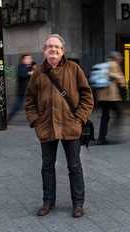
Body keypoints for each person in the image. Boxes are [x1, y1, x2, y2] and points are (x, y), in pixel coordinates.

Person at [25, 34, 94, 218]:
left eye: (56, 47)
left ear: (63, 51)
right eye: (50, 46)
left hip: (71, 126)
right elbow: (30, 99)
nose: (53, 49)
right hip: (46, 127)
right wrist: (35, 120)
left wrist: (80, 117)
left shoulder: (74, 69)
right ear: (44, 50)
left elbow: (87, 96)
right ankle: (48, 202)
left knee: (75, 166)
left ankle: (78, 204)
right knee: (47, 166)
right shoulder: (38, 73)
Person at [96, 51, 126, 145]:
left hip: (101, 96)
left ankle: (102, 137)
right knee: (119, 114)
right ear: (116, 58)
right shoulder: (113, 64)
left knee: (105, 116)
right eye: (120, 59)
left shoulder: (103, 64)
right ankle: (113, 134)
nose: (120, 60)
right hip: (111, 96)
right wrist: (123, 82)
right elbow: (120, 79)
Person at [7, 54, 34, 125]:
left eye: (30, 58)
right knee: (19, 105)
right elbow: (21, 75)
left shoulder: (31, 67)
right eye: (27, 58)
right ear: (23, 60)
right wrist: (30, 73)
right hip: (23, 91)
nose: (30, 60)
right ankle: (9, 117)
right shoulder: (20, 67)